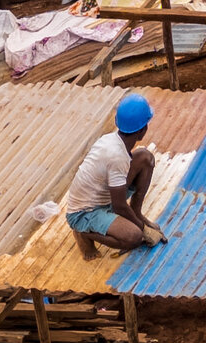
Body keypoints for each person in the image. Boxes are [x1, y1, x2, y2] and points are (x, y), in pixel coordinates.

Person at [64, 94, 165, 258]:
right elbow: (119, 205)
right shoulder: (116, 156)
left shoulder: (112, 140)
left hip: (104, 196)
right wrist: (144, 229)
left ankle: (136, 213)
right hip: (84, 212)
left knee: (145, 158)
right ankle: (83, 232)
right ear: (142, 131)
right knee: (134, 237)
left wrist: (137, 219)